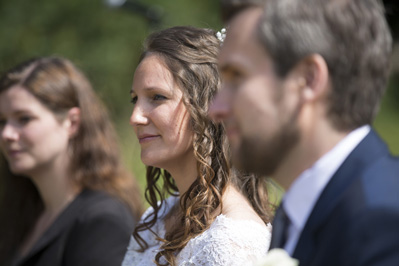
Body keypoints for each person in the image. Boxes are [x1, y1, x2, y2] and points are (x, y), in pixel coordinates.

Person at [209, 0, 399, 265]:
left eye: (237, 77)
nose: (214, 109)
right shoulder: (294, 216)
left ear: (308, 79)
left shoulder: (383, 224)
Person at [122, 26, 273, 266]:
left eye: (157, 97)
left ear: (208, 107)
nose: (135, 117)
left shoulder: (231, 243)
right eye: (135, 99)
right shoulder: (157, 218)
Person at [0, 57, 143, 266]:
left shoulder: (102, 221)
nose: (7, 134)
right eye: (2, 121)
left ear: (72, 122)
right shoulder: (21, 213)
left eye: (24, 118)